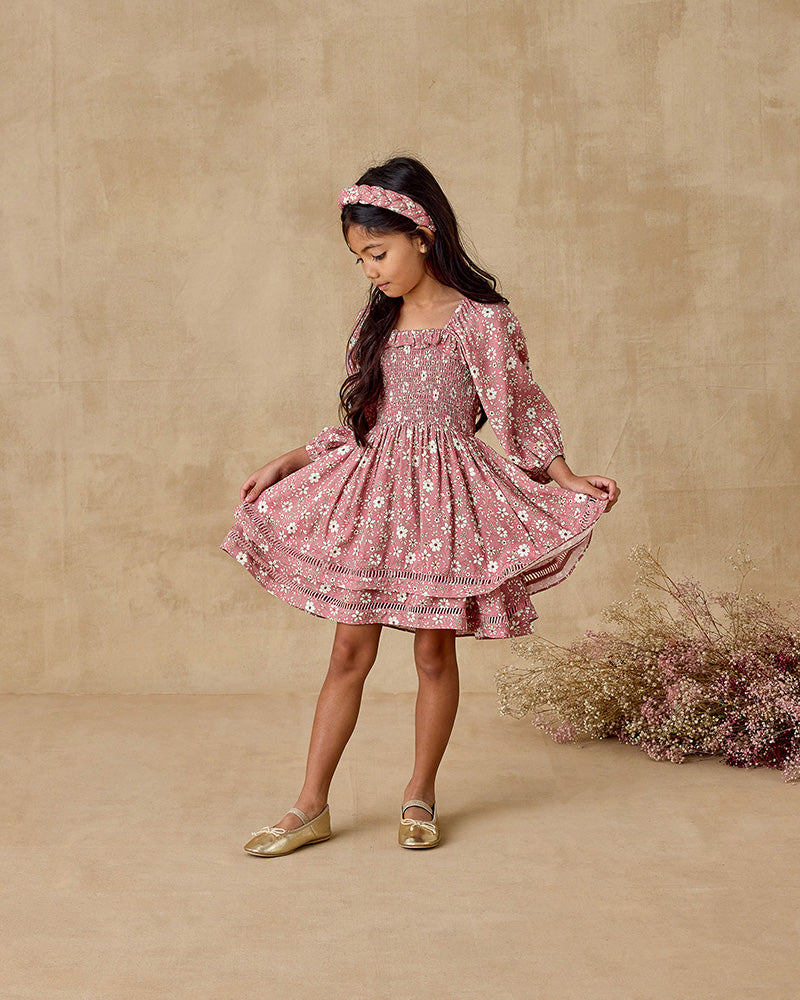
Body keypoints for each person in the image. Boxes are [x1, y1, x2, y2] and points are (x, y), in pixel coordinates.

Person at [219, 154, 620, 857]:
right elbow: (363, 424)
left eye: (377, 252)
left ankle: (420, 793)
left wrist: (564, 475)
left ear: (422, 235)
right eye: (359, 259)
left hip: (444, 502)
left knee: (434, 652)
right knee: (349, 648)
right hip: (376, 494)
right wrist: (290, 459)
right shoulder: (375, 324)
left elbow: (517, 408)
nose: (371, 269)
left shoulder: (483, 321)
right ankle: (310, 804)